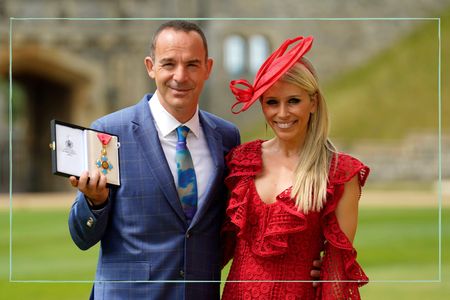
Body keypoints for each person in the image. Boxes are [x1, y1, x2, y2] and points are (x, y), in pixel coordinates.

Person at [68, 20, 240, 299]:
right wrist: (94, 203)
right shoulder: (109, 133)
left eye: (192, 64)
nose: (180, 76)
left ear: (208, 68)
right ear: (151, 67)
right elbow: (81, 237)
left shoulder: (227, 137)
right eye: (169, 64)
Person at [221, 36, 370, 299]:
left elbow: (336, 271)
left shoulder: (339, 173)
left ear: (313, 103)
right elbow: (216, 243)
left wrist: (326, 273)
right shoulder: (240, 161)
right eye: (272, 102)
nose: (282, 114)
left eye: (293, 101)